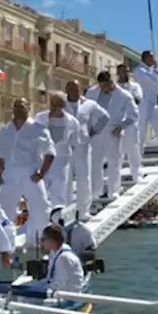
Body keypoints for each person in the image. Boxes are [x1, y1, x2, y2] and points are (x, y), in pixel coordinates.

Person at [0, 97, 56, 249]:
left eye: (22, 106)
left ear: (29, 108)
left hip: (30, 172)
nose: (19, 109)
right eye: (16, 106)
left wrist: (41, 173)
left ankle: (41, 241)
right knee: (5, 210)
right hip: (9, 173)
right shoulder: (5, 130)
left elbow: (50, 152)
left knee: (41, 207)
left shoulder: (38, 128)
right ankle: (6, 245)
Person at [87, 71, 142, 200]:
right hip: (96, 131)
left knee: (114, 161)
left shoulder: (124, 95)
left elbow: (134, 115)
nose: (102, 89)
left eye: (104, 86)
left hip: (113, 130)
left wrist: (122, 126)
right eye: (100, 86)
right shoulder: (91, 92)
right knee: (95, 162)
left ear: (111, 82)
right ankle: (96, 191)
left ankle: (114, 190)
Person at [65, 79, 108, 215]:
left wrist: (94, 131)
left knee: (84, 179)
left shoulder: (89, 104)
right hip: (65, 148)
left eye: (76, 89)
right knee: (66, 179)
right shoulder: (61, 105)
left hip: (83, 146)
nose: (74, 92)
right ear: (66, 90)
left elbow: (105, 117)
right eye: (71, 89)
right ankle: (66, 210)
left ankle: (84, 211)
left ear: (80, 90)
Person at [33, 90, 83, 208]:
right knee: (41, 190)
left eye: (57, 104)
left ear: (63, 106)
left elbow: (75, 143)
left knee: (59, 192)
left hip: (62, 161)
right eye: (52, 103)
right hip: (42, 160)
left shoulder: (73, 122)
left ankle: (57, 219)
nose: (53, 107)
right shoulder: (40, 118)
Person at [131, 52, 158, 156]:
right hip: (143, 102)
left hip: (153, 102)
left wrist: (155, 70)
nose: (155, 59)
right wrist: (155, 70)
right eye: (153, 57)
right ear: (147, 58)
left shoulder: (150, 70)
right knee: (141, 128)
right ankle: (138, 153)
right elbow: (153, 81)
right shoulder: (139, 70)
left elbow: (156, 84)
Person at [39, 224, 85, 293]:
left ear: (52, 240)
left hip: (68, 296)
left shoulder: (64, 258)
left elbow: (61, 285)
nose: (42, 242)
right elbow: (51, 279)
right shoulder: (54, 253)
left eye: (43, 239)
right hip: (57, 290)